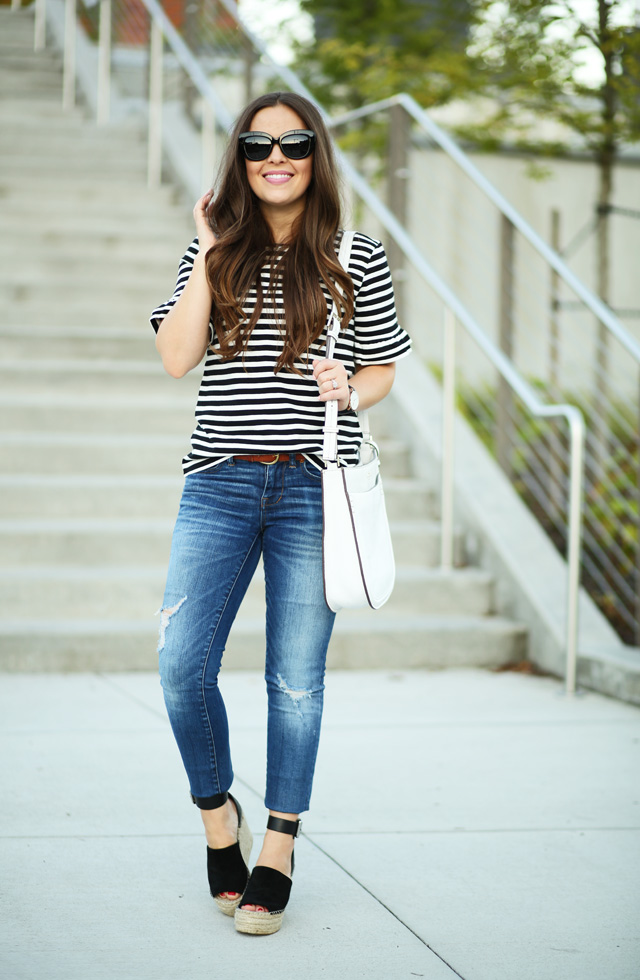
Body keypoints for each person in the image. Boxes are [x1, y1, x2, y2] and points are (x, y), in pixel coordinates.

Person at [149, 91, 411, 936]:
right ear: (240, 155)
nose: (276, 156)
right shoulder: (216, 250)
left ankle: (279, 846)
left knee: (295, 681)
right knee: (180, 664)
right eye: (258, 143)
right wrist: (202, 247)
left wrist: (351, 386)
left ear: (314, 154)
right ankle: (218, 818)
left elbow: (382, 371)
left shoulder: (355, 254)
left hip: (308, 487)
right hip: (219, 480)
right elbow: (176, 357)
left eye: (293, 142)